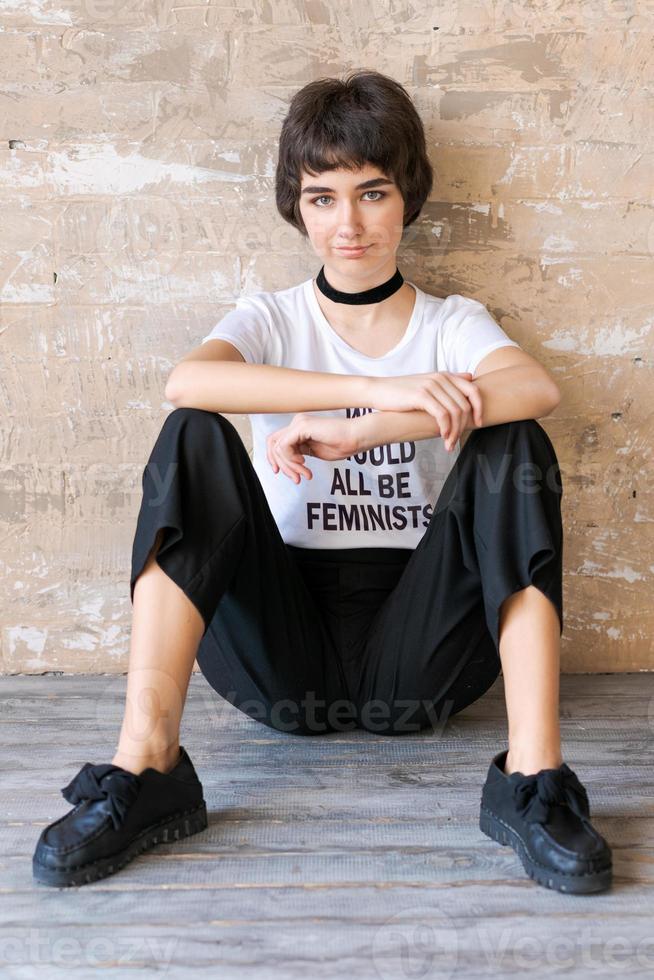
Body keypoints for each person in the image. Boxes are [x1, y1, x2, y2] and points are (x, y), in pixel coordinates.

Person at [33, 70, 612, 894]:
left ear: (407, 195)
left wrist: (368, 429)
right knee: (192, 436)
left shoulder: (451, 323)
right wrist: (376, 389)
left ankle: (532, 781)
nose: (350, 223)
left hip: (422, 649)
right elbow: (188, 384)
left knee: (512, 438)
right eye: (323, 198)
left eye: (372, 193)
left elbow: (535, 390)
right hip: (283, 651)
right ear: (297, 208)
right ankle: (147, 768)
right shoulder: (272, 319)